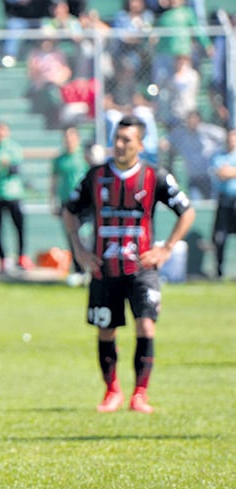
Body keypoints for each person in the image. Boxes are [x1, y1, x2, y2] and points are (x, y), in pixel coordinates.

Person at [62, 114, 195, 414]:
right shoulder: (95, 176)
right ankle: (112, 392)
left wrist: (166, 248)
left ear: (140, 144)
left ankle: (140, 395)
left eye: (126, 140)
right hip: (103, 268)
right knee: (105, 330)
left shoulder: (155, 176)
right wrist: (80, 251)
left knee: (146, 326)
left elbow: (187, 212)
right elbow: (69, 211)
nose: (119, 145)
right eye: (116, 140)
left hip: (142, 269)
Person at [0, 121, 32, 273]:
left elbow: (16, 168)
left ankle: (21, 256)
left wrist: (5, 166)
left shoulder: (13, 148)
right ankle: (2, 259)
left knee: (19, 226)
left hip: (13, 194)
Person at [50, 126, 90, 281]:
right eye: (66, 138)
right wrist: (52, 200)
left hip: (84, 202)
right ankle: (78, 270)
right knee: (71, 236)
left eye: (71, 137)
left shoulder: (84, 156)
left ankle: (90, 268)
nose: (68, 141)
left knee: (86, 234)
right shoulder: (59, 160)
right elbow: (54, 181)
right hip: (66, 203)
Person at [210, 128, 236, 279]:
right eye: (230, 137)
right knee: (220, 237)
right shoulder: (219, 155)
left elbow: (227, 172)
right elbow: (220, 173)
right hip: (224, 202)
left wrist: (230, 172)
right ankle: (219, 272)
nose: (232, 140)